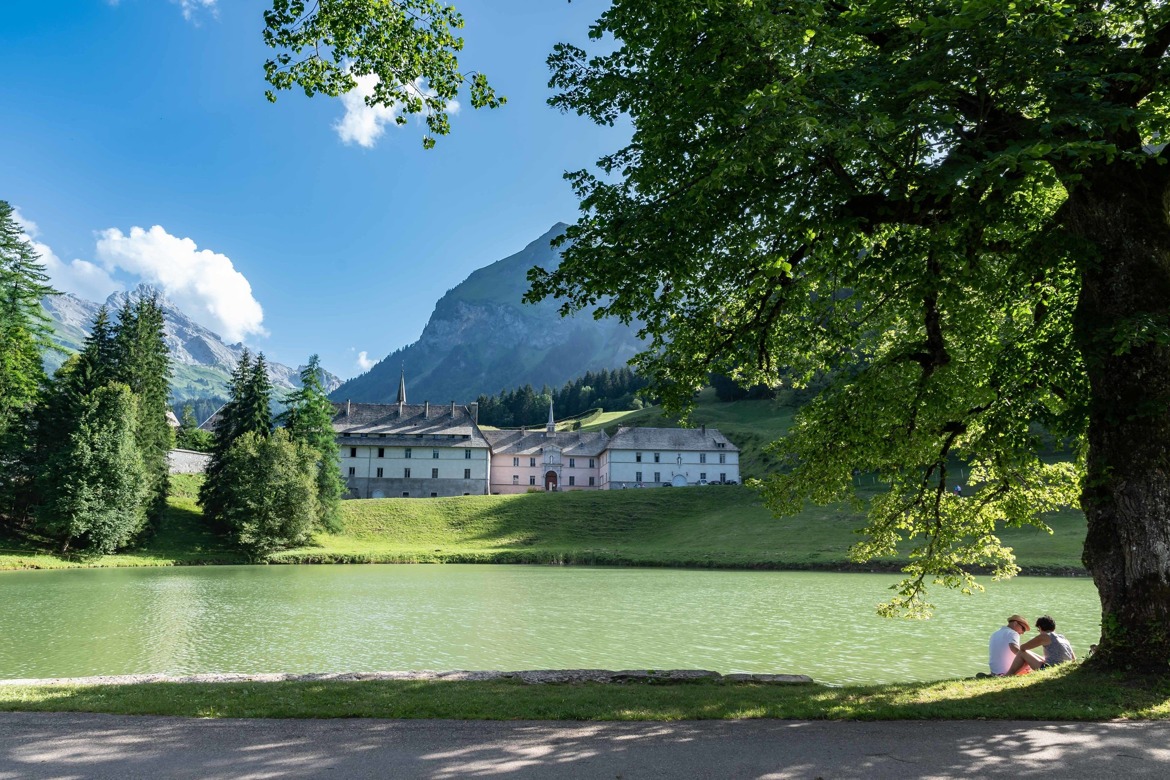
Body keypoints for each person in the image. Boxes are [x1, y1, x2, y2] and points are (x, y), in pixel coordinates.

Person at [1005, 615, 1076, 674]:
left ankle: (1008, 675)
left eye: (1038, 630)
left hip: (1049, 668)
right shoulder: (1063, 638)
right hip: (1064, 668)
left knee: (1022, 652)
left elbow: (1023, 647)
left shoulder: (1045, 636)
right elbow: (1073, 659)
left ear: (1040, 627)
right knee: (1036, 655)